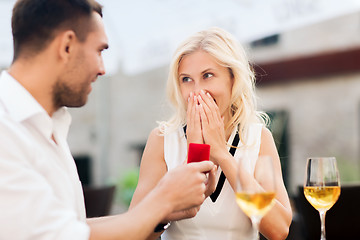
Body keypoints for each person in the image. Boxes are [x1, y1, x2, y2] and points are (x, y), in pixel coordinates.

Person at [0, 0, 217, 239]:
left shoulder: (47, 125)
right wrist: (163, 199)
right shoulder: (6, 131)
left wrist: (164, 209)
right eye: (99, 51)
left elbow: (71, 229)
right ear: (67, 46)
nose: (102, 69)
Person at [130, 27, 293, 240]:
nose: (197, 91)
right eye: (186, 79)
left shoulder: (258, 138)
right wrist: (195, 154)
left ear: (232, 79)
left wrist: (222, 155)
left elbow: (279, 230)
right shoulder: (162, 140)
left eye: (208, 76)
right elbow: (135, 233)